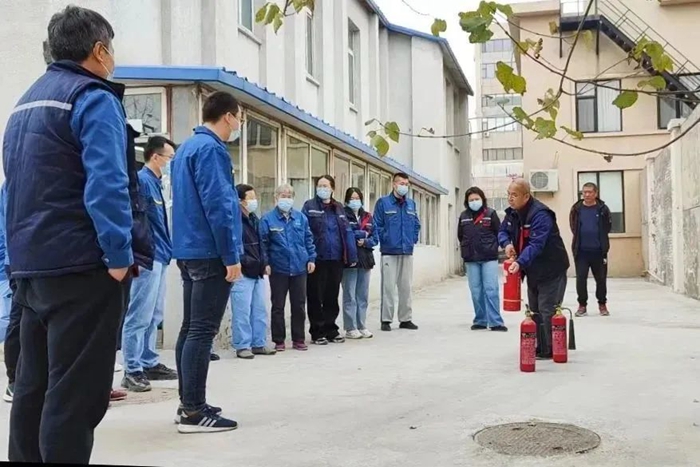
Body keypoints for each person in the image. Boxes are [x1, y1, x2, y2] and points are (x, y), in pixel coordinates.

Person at [2, 5, 154, 462]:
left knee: (33, 390)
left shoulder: (25, 103)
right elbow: (107, 183)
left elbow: (15, 189)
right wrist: (118, 256)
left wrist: (14, 262)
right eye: (112, 49)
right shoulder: (92, 97)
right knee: (73, 398)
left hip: (33, 270)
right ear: (99, 50)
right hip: (82, 268)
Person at [171, 91, 243, 433]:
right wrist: (231, 255)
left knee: (190, 328)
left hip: (188, 249)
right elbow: (220, 205)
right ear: (228, 116)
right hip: (210, 250)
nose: (239, 124)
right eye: (239, 117)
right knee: (202, 331)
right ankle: (194, 411)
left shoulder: (186, 148)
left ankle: (188, 402)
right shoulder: (212, 150)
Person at [121, 136, 178, 392]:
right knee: (139, 315)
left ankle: (148, 361)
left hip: (161, 256)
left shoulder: (157, 184)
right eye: (169, 158)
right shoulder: (142, 182)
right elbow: (137, 223)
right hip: (147, 258)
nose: (171, 163)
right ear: (155, 157)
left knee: (154, 314)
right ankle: (132, 369)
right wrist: (140, 255)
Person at [498, 179, 569, 360]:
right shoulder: (512, 214)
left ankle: (551, 348)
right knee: (535, 309)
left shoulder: (541, 215)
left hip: (551, 268)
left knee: (547, 308)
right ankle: (539, 346)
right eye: (508, 194)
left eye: (514, 195)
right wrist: (506, 244)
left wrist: (520, 262)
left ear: (526, 196)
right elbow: (502, 231)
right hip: (533, 270)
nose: (510, 198)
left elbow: (536, 244)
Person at [260, 184, 316, 352]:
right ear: (276, 198)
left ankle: (299, 339)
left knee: (299, 305)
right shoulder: (267, 219)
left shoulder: (301, 218)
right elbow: (263, 244)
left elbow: (308, 240)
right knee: (278, 306)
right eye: (283, 196)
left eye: (289, 196)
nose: (286, 199)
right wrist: (265, 263)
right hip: (278, 268)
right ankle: (279, 340)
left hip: (299, 267)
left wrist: (311, 258)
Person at [302, 175, 358, 345]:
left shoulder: (338, 208)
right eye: (320, 185)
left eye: (325, 186)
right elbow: (304, 233)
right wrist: (309, 257)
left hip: (336, 259)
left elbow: (347, 232)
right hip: (317, 259)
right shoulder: (309, 206)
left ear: (332, 188)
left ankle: (331, 329)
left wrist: (351, 256)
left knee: (331, 296)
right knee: (315, 296)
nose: (322, 188)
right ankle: (317, 332)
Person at [230, 183, 276, 359]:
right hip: (243, 271)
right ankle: (242, 345)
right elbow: (235, 247)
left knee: (259, 309)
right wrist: (246, 262)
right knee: (242, 311)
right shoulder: (235, 221)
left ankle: (259, 343)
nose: (254, 201)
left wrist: (264, 263)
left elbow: (261, 245)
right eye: (250, 198)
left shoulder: (254, 219)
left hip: (257, 271)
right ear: (240, 200)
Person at [373, 172, 421, 332]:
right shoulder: (383, 203)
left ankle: (405, 319)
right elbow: (377, 225)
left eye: (406, 184)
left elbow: (416, 224)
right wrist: (385, 239)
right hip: (389, 252)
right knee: (388, 288)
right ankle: (386, 320)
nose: (404, 187)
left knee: (406, 287)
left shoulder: (411, 204)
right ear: (394, 184)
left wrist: (412, 239)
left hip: (407, 251)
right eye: (401, 183)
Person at [458, 187, 507, 332]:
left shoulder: (490, 214)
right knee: (476, 290)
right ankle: (480, 320)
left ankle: (495, 322)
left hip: (488, 258)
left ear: (482, 199)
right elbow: (460, 235)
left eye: (477, 199)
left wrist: (496, 247)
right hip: (471, 258)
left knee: (491, 289)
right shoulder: (463, 216)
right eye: (471, 200)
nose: (474, 202)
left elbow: (499, 232)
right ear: (467, 202)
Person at [569, 182, 612, 317]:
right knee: (581, 279)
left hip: (599, 251)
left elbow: (607, 227)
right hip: (581, 251)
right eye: (584, 192)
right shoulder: (576, 209)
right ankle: (582, 305)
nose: (587, 195)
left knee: (601, 279)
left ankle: (602, 304)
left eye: (590, 192)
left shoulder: (602, 209)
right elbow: (573, 226)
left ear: (596, 193)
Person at [341, 187, 377, 339]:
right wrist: (362, 233)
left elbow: (375, 237)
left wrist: (366, 241)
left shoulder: (367, 216)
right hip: (349, 259)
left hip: (365, 259)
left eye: (357, 198)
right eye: (352, 198)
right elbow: (346, 233)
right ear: (347, 200)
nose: (355, 201)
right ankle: (350, 327)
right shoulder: (342, 215)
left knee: (362, 295)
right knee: (350, 295)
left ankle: (361, 325)